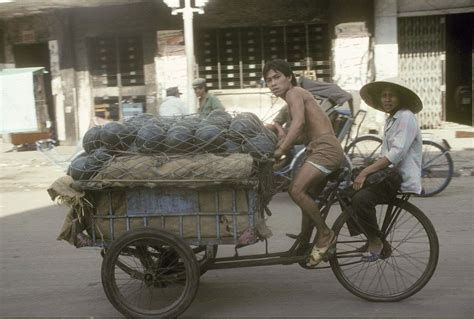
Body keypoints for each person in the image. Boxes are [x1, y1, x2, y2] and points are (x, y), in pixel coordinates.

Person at [264, 59, 344, 267]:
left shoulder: (294, 93)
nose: (273, 83)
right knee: (306, 198)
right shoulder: (292, 100)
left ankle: (326, 234)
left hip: (325, 150)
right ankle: (303, 244)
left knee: (296, 191)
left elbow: (298, 125)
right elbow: (299, 134)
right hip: (316, 149)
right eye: (268, 80)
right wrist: (280, 133)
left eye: (277, 77)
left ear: (289, 77)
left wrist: (281, 149)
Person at [352, 78, 423, 262]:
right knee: (347, 188)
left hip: (398, 177)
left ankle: (375, 241)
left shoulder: (406, 117)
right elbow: (386, 154)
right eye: (384, 95)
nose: (387, 99)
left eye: (392, 95)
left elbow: (395, 154)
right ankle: (372, 236)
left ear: (400, 98)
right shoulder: (392, 118)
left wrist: (366, 172)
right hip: (388, 174)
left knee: (361, 198)